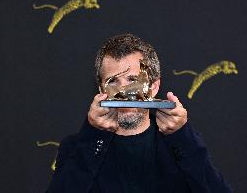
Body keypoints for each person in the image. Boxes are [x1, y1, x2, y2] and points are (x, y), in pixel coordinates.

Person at [46, 34, 232, 193]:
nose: (123, 91)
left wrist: (182, 136)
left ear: (154, 86)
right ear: (100, 89)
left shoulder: (179, 147)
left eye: (133, 79)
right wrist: (94, 136)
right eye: (112, 82)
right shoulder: (77, 148)